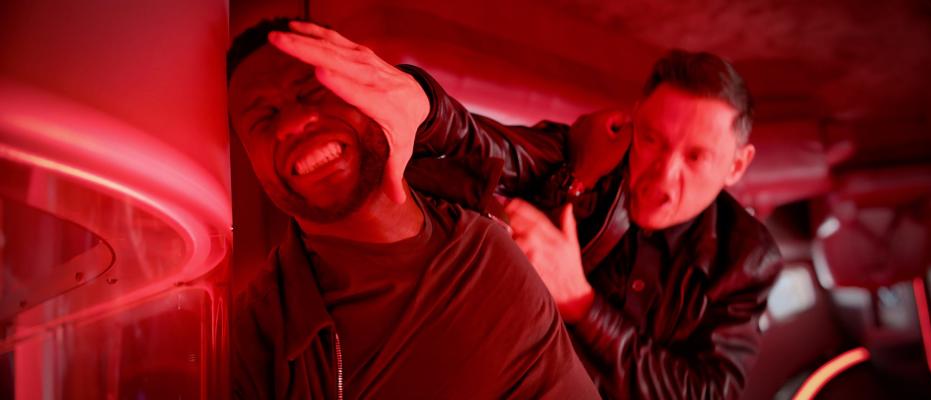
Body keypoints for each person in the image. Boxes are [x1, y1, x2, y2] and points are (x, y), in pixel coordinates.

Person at [268, 22, 784, 399]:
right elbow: (492, 149)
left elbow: (705, 394)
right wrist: (424, 110)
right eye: (652, 139)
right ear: (634, 120)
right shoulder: (593, 158)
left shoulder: (747, 258)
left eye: (697, 157)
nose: (663, 179)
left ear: (737, 166)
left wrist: (580, 303)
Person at [227, 18, 599, 399]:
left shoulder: (471, 201)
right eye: (263, 118)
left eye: (312, 91)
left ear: (372, 97)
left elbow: (564, 154)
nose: (294, 122)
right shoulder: (261, 341)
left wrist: (422, 104)